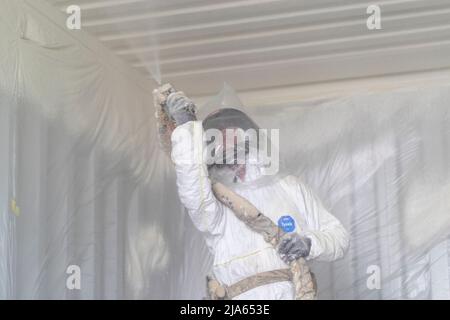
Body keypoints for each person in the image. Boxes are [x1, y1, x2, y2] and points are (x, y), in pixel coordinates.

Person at [164, 90, 349, 300]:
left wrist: (309, 243)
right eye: (217, 135)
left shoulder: (288, 187)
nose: (225, 140)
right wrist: (186, 128)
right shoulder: (214, 203)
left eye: (230, 130)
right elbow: (192, 186)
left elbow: (339, 237)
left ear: (248, 135)